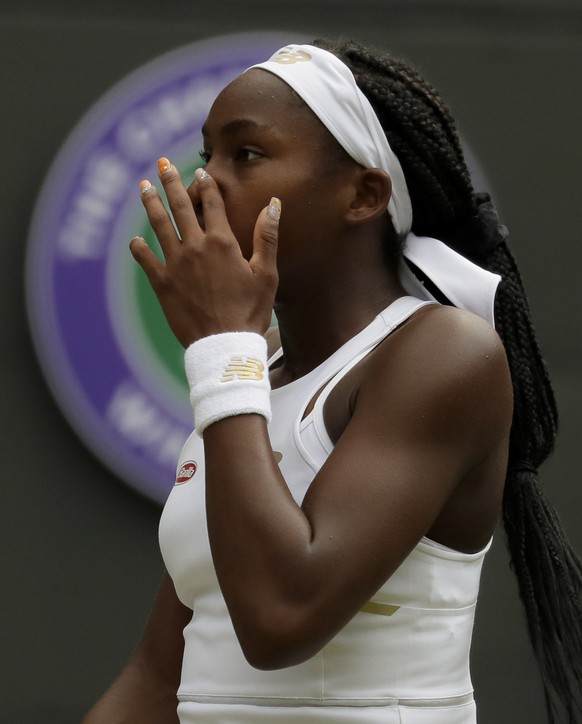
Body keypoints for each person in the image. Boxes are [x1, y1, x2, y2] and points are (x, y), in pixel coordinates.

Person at [84, 40, 582, 723]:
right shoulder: (243, 384)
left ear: (364, 194)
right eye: (209, 158)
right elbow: (154, 678)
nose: (207, 184)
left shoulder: (444, 353)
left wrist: (226, 349)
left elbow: (281, 617)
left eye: (247, 155)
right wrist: (233, 361)